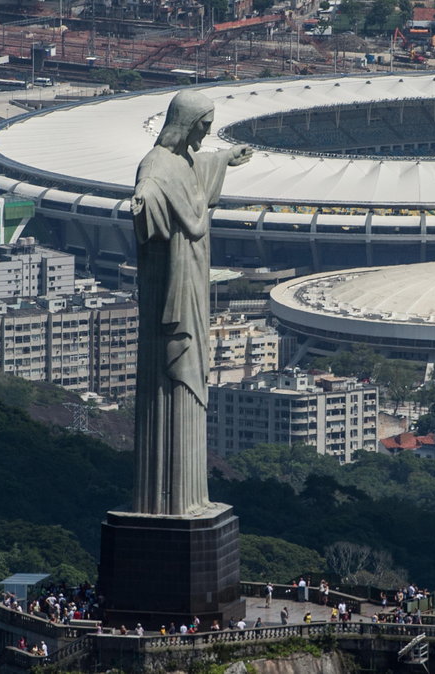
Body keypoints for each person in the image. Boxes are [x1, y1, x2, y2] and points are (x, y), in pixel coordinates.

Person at [130, 89, 252, 515]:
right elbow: (151, 185)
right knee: (172, 382)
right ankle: (168, 501)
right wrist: (143, 201)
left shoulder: (183, 160)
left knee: (192, 378)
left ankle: (191, 497)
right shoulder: (157, 165)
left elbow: (194, 166)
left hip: (195, 278)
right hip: (173, 286)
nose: (207, 133)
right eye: (203, 126)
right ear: (185, 123)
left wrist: (226, 158)